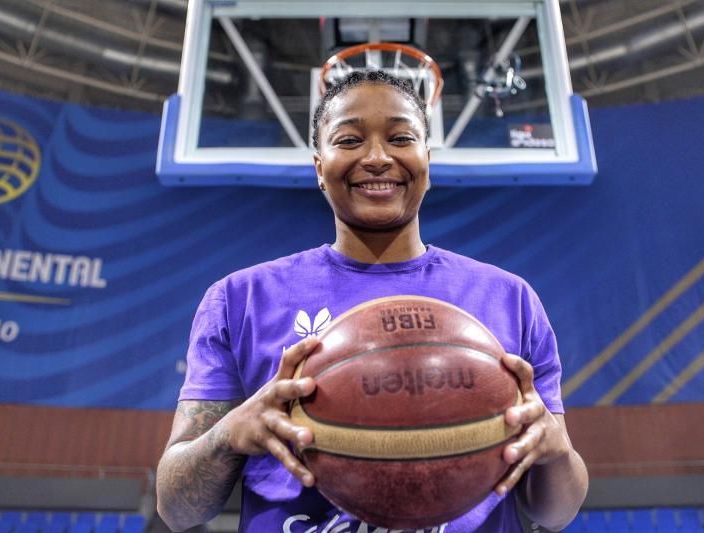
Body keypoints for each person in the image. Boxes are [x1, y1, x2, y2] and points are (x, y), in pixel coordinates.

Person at [156, 70, 588, 533]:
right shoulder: (239, 300)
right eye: (349, 140)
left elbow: (554, 512)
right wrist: (229, 434)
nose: (378, 157)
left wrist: (556, 449)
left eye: (401, 137)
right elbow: (178, 509)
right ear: (319, 166)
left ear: (427, 159)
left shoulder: (511, 300)